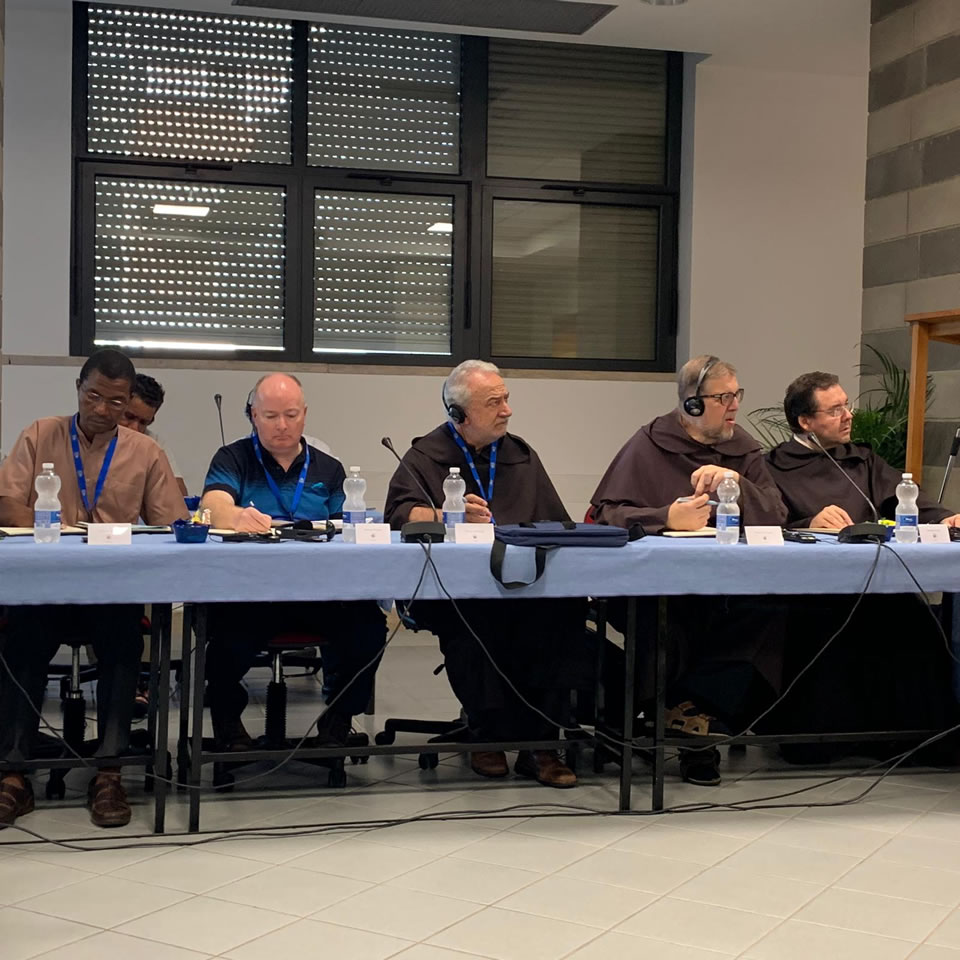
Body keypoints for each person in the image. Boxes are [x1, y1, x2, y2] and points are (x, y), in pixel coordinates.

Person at [0, 349, 187, 827]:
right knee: (20, 640)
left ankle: (109, 771)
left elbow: (172, 524)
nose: (103, 409)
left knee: (123, 644)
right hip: (47, 586)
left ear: (129, 402)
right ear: (78, 389)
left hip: (111, 589)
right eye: (94, 396)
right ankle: (14, 773)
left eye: (116, 402)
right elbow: (6, 504)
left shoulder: (145, 452)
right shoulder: (40, 434)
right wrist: (58, 526)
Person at [384, 360, 586, 788]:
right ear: (459, 413)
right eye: (494, 402)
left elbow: (555, 521)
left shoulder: (520, 455)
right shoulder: (425, 456)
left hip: (524, 583)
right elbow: (398, 516)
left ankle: (542, 742)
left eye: (506, 399)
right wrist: (447, 515)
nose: (507, 410)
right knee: (475, 617)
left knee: (564, 612)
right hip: (455, 589)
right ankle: (487, 733)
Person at [590, 355, 788, 785]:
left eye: (737, 394)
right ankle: (697, 735)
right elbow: (605, 514)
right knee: (671, 617)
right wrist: (665, 517)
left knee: (771, 609)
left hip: (730, 584)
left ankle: (690, 716)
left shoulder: (743, 448)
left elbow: (776, 513)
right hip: (656, 584)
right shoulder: (649, 443)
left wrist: (736, 483)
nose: (735, 405)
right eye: (723, 397)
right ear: (693, 404)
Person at [765, 372, 959, 751]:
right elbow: (763, 523)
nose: (848, 415)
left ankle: (916, 743)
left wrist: (945, 517)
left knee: (916, 623)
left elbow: (905, 499)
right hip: (810, 591)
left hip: (876, 583)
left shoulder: (862, 460)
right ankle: (820, 743)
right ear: (805, 422)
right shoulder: (772, 467)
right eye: (835, 410)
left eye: (847, 405)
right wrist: (809, 523)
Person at [200, 373, 386, 751]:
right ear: (253, 415)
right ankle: (228, 722)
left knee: (368, 629)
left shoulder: (329, 469)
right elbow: (212, 505)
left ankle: (339, 717)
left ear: (304, 414)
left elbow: (345, 528)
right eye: (270, 416)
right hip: (251, 592)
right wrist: (235, 515)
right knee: (223, 636)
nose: (282, 425)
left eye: (290, 415)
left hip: (320, 592)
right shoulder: (233, 458)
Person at [120, 373, 189, 496]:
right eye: (129, 417)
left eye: (143, 422)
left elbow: (180, 494)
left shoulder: (154, 443)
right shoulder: (98, 435)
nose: (135, 428)